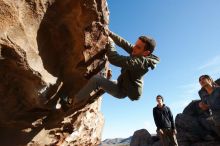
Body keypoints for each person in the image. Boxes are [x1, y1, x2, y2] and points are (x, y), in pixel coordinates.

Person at [59, 30, 160, 110]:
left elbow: (114, 59)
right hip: (121, 83)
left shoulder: (140, 63)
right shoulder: (138, 51)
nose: (134, 48)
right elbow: (124, 43)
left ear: (146, 53)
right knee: (105, 80)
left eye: (138, 47)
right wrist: (109, 33)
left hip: (122, 91)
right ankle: (103, 85)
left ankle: (70, 103)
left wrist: (110, 43)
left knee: (96, 80)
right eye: (135, 45)